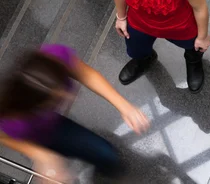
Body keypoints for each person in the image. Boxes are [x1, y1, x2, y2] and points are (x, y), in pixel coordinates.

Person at [0, 44, 150, 183]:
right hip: (35, 136)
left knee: (106, 153)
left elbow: (86, 74)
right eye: (55, 100)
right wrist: (40, 155)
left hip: (55, 125)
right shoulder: (11, 120)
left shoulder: (54, 57)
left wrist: (122, 104)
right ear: (34, 104)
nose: (69, 96)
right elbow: (5, 137)